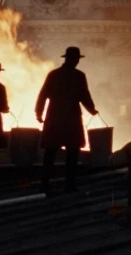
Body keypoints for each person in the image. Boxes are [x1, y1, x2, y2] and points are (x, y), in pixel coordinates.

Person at [35, 46, 97, 193]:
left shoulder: (54, 75)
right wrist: (91, 109)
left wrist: (39, 113)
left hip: (55, 116)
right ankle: (68, 185)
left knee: (52, 151)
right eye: (75, 59)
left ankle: (46, 183)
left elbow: (43, 95)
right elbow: (84, 95)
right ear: (71, 59)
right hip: (71, 118)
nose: (76, 62)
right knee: (71, 152)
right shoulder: (79, 76)